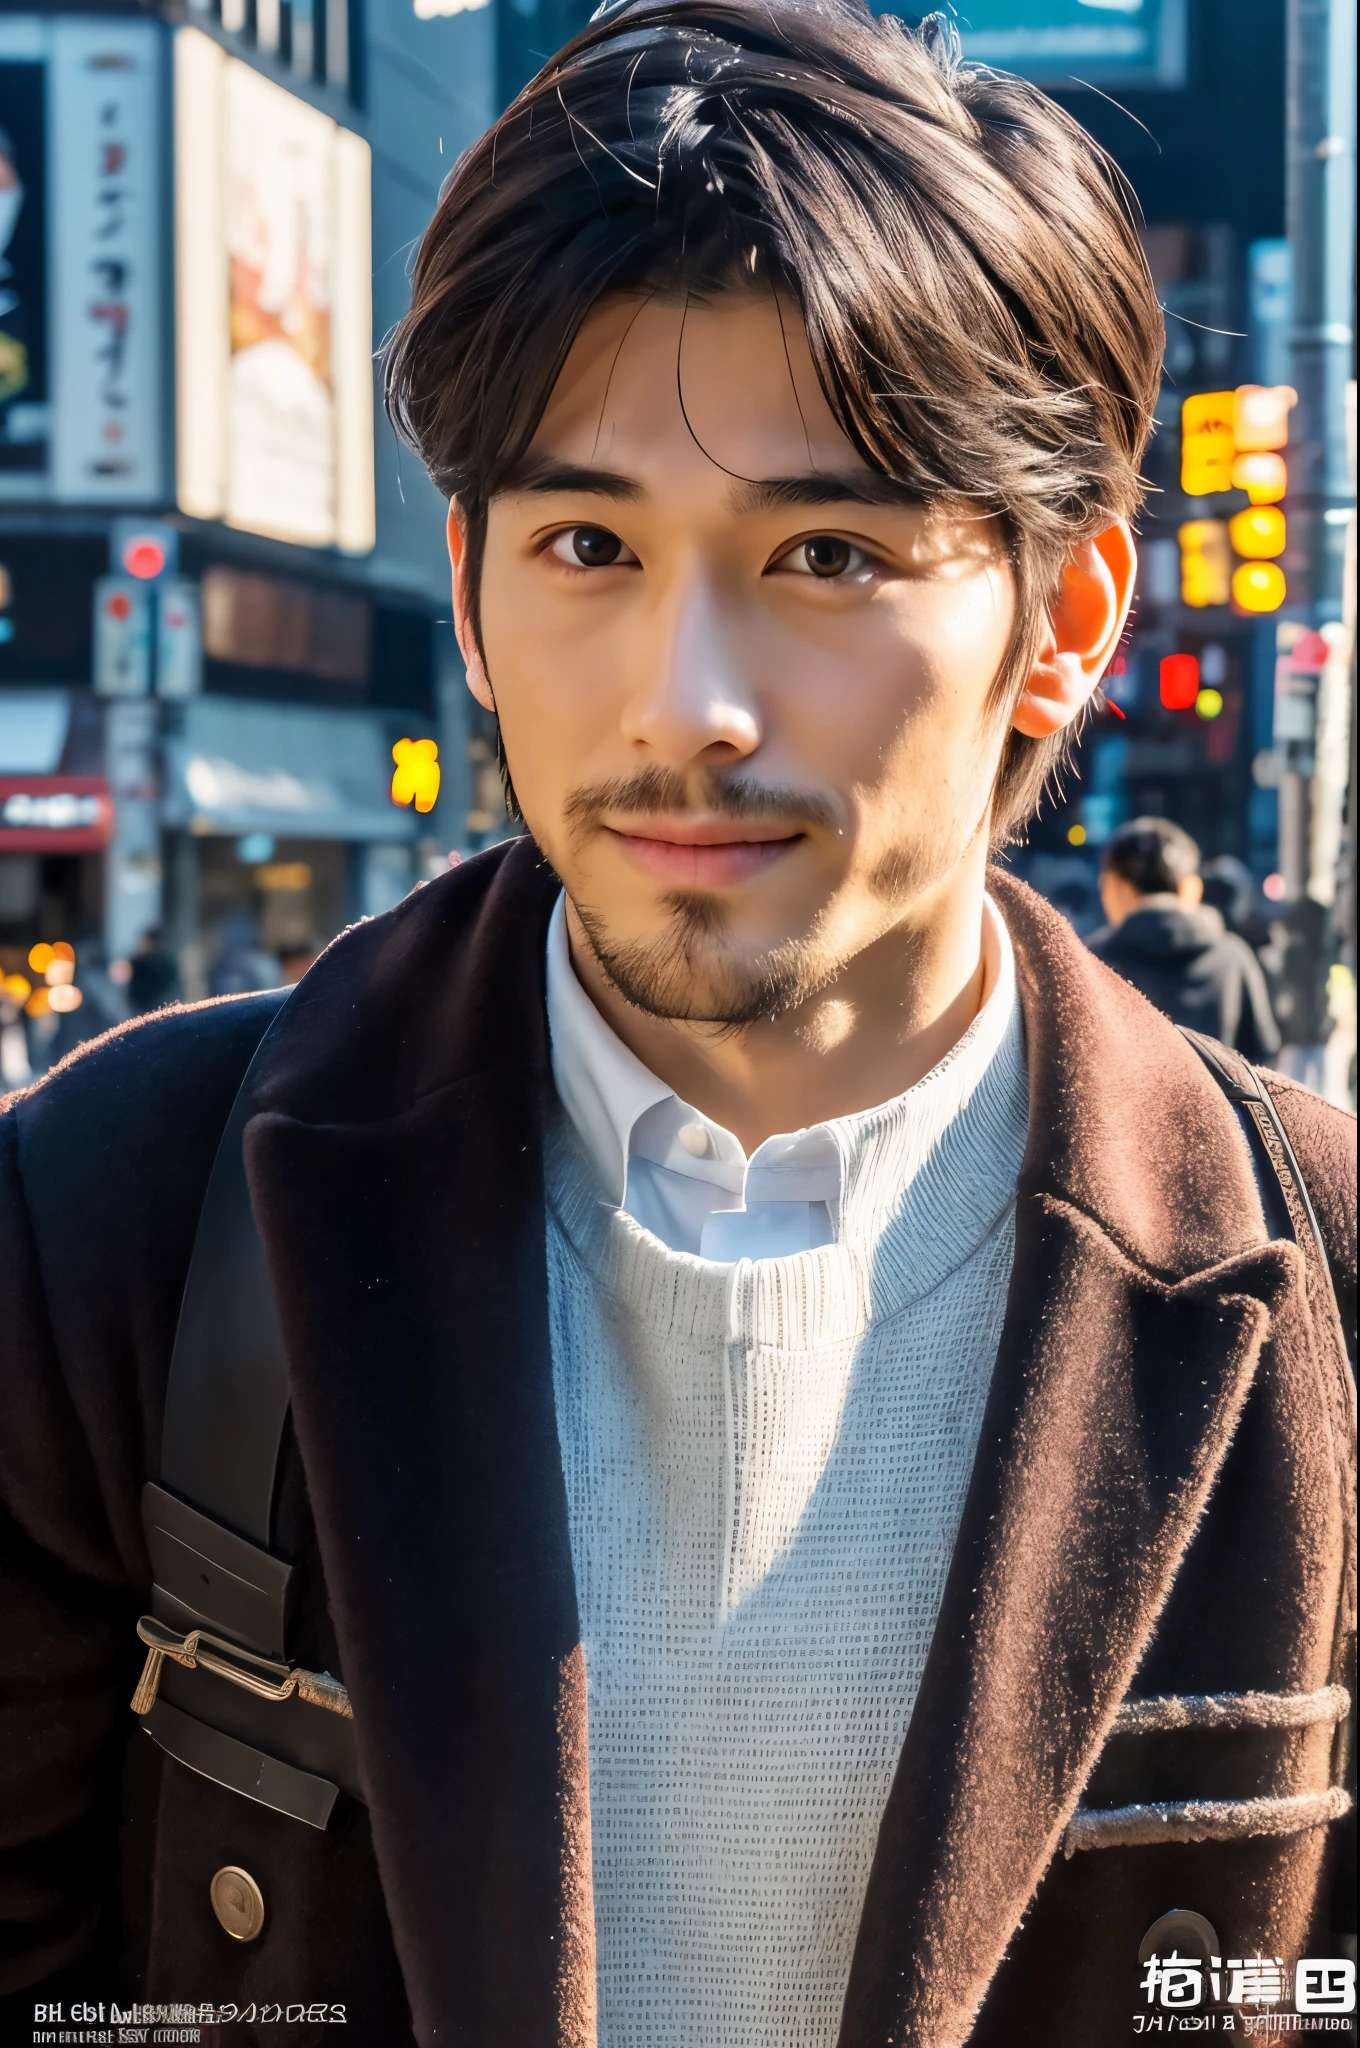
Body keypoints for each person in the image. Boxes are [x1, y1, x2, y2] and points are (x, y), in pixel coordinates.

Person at [0, 5, 1353, 2042]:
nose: (684, 701)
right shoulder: (119, 1222)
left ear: (1059, 618)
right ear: (466, 595)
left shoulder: (1322, 1279)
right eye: (586, 547)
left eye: (824, 553)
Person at [1088, 817, 1282, 1061]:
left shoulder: (1091, 959)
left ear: (1117, 886)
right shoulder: (1232, 956)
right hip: (1217, 1100)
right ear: (1191, 888)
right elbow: (1263, 1058)